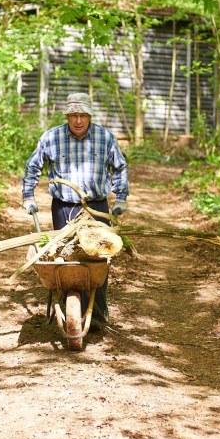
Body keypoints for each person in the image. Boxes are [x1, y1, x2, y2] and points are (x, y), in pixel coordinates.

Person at [22, 92, 129, 323]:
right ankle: (69, 307)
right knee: (65, 258)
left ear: (90, 116)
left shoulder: (105, 137)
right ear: (67, 116)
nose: (78, 120)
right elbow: (33, 166)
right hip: (64, 208)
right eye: (73, 115)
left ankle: (97, 314)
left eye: (83, 115)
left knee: (98, 259)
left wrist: (120, 197)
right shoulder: (52, 137)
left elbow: (120, 167)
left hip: (96, 208)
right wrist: (28, 195)